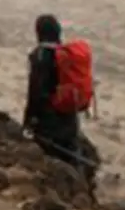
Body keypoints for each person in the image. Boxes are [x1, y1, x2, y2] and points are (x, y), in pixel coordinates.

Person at [21, 14, 97, 176]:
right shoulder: (65, 55)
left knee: (50, 163)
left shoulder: (40, 56)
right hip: (69, 117)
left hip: (48, 121)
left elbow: (35, 93)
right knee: (70, 158)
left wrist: (28, 121)